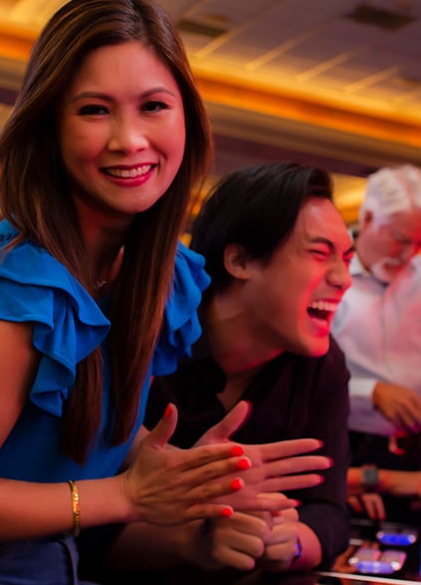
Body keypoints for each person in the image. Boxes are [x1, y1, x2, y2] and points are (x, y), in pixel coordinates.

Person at [0, 0, 327, 584]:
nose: (129, 139)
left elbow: (82, 427)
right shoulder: (24, 286)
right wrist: (126, 496)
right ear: (49, 129)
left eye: (154, 106)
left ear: (186, 119)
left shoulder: (157, 276)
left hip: (50, 560)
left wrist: (189, 474)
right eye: (95, 110)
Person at [79, 162, 355, 584]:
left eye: (347, 259)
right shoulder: (137, 335)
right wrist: (195, 539)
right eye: (320, 253)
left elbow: (330, 513)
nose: (344, 279)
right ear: (240, 260)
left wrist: (293, 540)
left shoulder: (322, 365)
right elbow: (74, 526)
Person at [332, 164, 421, 519]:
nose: (409, 252)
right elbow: (301, 373)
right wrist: (371, 392)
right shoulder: (330, 272)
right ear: (366, 218)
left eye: (420, 242)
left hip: (412, 452)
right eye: (400, 237)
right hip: (342, 443)